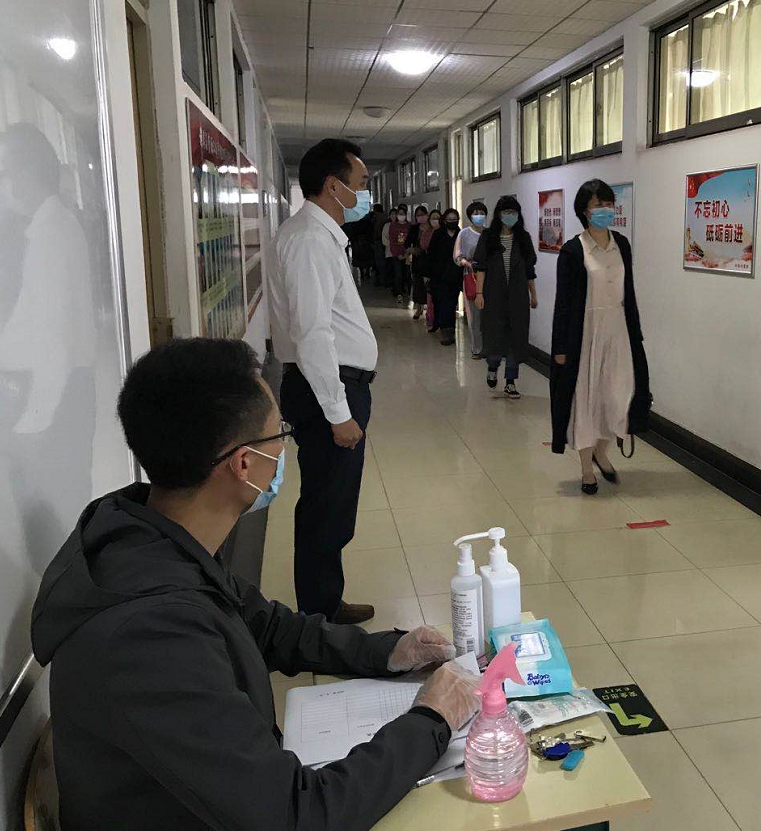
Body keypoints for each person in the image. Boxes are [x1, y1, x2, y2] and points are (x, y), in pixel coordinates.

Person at [30, 337, 481, 830]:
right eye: (280, 435)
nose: (285, 449)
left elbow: (266, 626)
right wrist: (432, 719)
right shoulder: (148, 635)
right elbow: (295, 816)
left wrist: (387, 652)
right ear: (243, 464)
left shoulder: (155, 535)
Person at [267, 138, 378, 624]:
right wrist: (338, 412)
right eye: (361, 183)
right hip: (327, 390)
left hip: (332, 384)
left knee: (332, 500)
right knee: (325, 503)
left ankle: (325, 601)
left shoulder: (320, 236)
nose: (365, 194)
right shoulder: (310, 240)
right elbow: (312, 334)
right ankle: (318, 617)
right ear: (334, 186)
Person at [550, 179, 651, 494]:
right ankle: (586, 467)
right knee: (586, 401)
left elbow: (629, 292)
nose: (606, 210)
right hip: (585, 335)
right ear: (585, 211)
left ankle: (601, 451)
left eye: (609, 204)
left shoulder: (621, 244)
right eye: (598, 205)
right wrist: (560, 347)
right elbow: (563, 303)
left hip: (618, 331)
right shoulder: (572, 250)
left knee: (617, 398)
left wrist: (636, 333)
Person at [472, 196, 539, 398]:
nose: (510, 216)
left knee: (515, 338)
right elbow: (481, 268)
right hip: (493, 295)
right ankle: (492, 367)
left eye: (513, 212)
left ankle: (510, 381)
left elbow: (529, 270)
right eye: (506, 212)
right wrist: (479, 293)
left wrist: (533, 294)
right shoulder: (488, 237)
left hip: (518, 296)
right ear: (499, 214)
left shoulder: (523, 238)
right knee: (494, 334)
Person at [455, 201, 488, 359]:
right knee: (475, 315)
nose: (479, 216)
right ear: (470, 216)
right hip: (471, 276)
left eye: (482, 213)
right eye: (476, 213)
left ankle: (490, 346)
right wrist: (466, 263)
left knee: (489, 314)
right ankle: (477, 348)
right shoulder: (464, 234)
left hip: (489, 277)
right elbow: (457, 256)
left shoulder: (489, 233)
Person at [427, 207, 463, 346]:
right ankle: (445, 332)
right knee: (443, 303)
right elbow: (431, 254)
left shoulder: (460, 234)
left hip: (455, 275)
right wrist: (430, 274)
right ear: (445, 220)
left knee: (452, 303)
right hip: (440, 276)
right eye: (449, 219)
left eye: (455, 219)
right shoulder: (438, 234)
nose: (452, 221)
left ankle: (450, 330)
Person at [407, 206, 433, 322]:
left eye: (423, 214)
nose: (421, 217)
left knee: (429, 285)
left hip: (430, 259)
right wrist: (410, 250)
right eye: (418, 215)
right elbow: (407, 243)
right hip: (418, 259)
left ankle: (430, 310)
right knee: (418, 285)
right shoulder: (414, 228)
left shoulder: (432, 228)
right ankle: (419, 308)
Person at [386, 204, 411, 302]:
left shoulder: (409, 226)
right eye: (399, 214)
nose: (401, 215)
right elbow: (392, 241)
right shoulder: (393, 226)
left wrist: (407, 253)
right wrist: (397, 254)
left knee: (408, 275)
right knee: (398, 275)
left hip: (408, 254)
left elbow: (411, 240)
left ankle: (410, 294)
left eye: (403, 214)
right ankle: (399, 293)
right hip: (397, 255)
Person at [371, 202, 390, 289]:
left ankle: (382, 280)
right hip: (384, 241)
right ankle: (384, 279)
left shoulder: (377, 217)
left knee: (380, 262)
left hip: (379, 241)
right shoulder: (385, 216)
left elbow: (376, 230)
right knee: (384, 261)